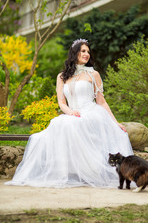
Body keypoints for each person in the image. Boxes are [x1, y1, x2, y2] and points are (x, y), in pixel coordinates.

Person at [5, 39, 133, 188]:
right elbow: (61, 102)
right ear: (74, 53)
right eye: (83, 51)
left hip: (92, 113)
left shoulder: (93, 74)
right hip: (72, 112)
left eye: (88, 52)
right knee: (58, 124)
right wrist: (70, 112)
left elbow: (102, 102)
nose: (86, 54)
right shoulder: (62, 76)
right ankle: (66, 172)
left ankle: (91, 171)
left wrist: (115, 122)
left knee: (70, 124)